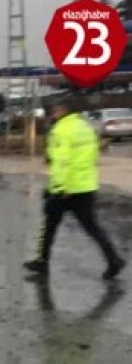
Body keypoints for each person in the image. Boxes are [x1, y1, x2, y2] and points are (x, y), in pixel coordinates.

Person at [24, 98, 125, 280]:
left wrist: (59, 188)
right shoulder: (85, 127)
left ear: (63, 110)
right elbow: (93, 155)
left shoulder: (61, 130)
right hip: (86, 186)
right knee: (92, 227)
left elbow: (61, 162)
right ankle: (113, 259)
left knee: (49, 225)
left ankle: (42, 261)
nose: (52, 113)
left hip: (65, 188)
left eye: (55, 110)